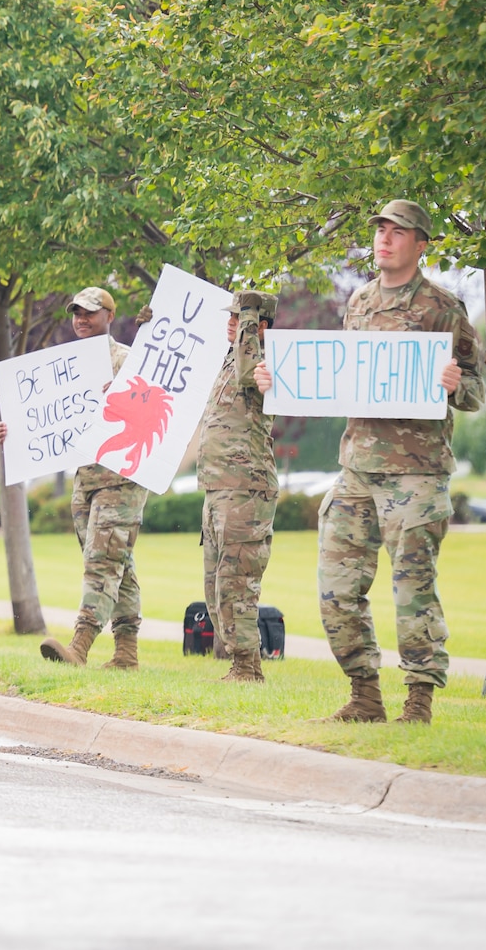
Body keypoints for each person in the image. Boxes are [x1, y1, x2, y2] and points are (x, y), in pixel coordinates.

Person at [255, 201, 486, 724]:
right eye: (380, 229)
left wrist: (456, 386)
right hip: (356, 468)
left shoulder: (441, 309)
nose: (384, 238)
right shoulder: (358, 303)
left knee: (413, 590)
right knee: (337, 588)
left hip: (417, 474)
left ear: (420, 244)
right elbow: (339, 375)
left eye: (397, 231)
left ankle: (419, 703)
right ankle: (365, 696)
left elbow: (477, 392)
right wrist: (278, 382)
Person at [0, 287, 151, 670]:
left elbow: (154, 413)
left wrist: (126, 395)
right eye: (76, 313)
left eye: (91, 313)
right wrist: (12, 432)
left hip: (122, 478)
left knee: (102, 561)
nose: (82, 319)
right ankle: (126, 654)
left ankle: (79, 647)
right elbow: (44, 419)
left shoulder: (129, 362)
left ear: (109, 316)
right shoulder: (64, 368)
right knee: (118, 562)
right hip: (85, 480)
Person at [195, 290, 278, 683]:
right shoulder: (231, 361)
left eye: (241, 317)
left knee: (237, 583)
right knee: (215, 586)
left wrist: (249, 319)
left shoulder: (265, 363)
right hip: (219, 488)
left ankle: (248, 667)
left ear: (260, 325)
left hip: (247, 488)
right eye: (232, 316)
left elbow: (252, 376)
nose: (232, 322)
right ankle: (239, 662)